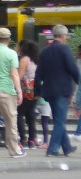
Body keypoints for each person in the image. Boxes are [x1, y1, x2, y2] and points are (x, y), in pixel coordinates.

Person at [35, 24, 80, 157]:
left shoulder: (44, 51)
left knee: (58, 119)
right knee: (60, 121)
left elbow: (39, 73)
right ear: (64, 36)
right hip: (62, 90)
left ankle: (67, 147)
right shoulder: (64, 49)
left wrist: (37, 91)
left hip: (48, 91)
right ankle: (52, 149)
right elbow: (73, 69)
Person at [0, 27, 25, 157]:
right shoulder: (11, 54)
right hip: (6, 92)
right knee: (11, 122)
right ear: (9, 40)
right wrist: (19, 91)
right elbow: (14, 74)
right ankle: (14, 150)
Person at [15, 40, 41, 149]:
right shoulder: (36, 60)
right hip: (35, 90)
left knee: (19, 115)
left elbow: (19, 76)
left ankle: (23, 140)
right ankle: (31, 140)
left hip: (25, 90)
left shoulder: (24, 60)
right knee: (31, 116)